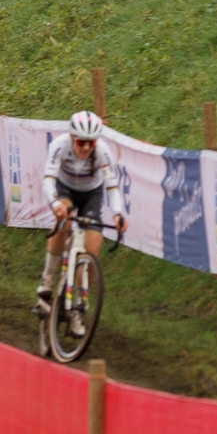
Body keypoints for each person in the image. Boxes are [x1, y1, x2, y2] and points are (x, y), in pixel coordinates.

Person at [35, 111, 127, 335]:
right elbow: (48, 180)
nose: (86, 148)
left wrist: (117, 214)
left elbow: (112, 187)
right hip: (65, 189)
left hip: (91, 195)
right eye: (81, 142)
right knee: (64, 222)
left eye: (91, 143)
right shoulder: (59, 145)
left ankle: (79, 309)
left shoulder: (103, 152)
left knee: (92, 251)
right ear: (72, 137)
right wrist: (56, 204)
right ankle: (47, 280)